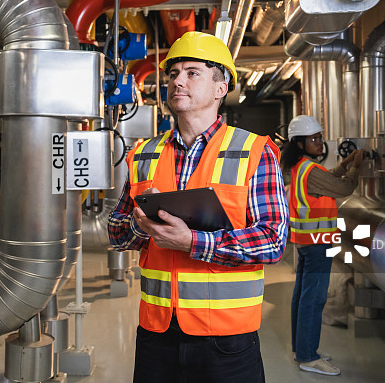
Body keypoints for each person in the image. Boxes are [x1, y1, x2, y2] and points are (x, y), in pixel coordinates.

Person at [108, 31, 288, 383]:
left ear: (221, 88)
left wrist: (193, 243)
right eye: (173, 73)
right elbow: (115, 233)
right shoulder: (144, 152)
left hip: (227, 338)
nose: (178, 81)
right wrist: (138, 226)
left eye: (193, 73)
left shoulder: (255, 151)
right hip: (157, 333)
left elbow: (272, 240)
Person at [281, 115, 365, 376]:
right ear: (300, 143)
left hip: (305, 242)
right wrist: (357, 166)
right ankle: (309, 356)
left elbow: (327, 178)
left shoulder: (301, 167)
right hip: (317, 243)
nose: (320, 143)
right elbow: (344, 188)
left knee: (302, 296)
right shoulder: (310, 170)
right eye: (314, 139)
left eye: (319, 138)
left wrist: (345, 163)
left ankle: (301, 349)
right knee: (314, 299)